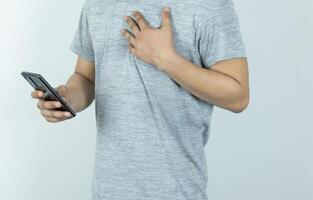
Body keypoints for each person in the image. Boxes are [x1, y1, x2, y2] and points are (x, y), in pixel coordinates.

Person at [31, 0, 249, 199]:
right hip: (107, 189)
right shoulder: (97, 4)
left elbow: (238, 97)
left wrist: (165, 59)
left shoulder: (207, 5)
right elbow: (86, 77)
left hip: (176, 190)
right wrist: (68, 98)